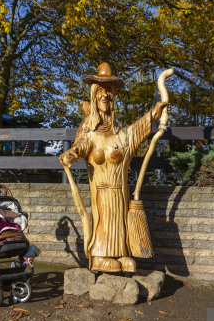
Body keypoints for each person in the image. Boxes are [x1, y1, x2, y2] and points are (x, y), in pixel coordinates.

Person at [60, 62, 169, 273]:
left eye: (109, 92)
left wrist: (156, 112)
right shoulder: (89, 132)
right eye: (100, 91)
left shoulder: (122, 135)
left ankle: (121, 253)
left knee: (120, 225)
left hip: (121, 192)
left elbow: (138, 129)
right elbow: (79, 146)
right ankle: (99, 256)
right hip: (101, 191)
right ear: (93, 95)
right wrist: (71, 154)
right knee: (103, 222)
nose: (105, 96)